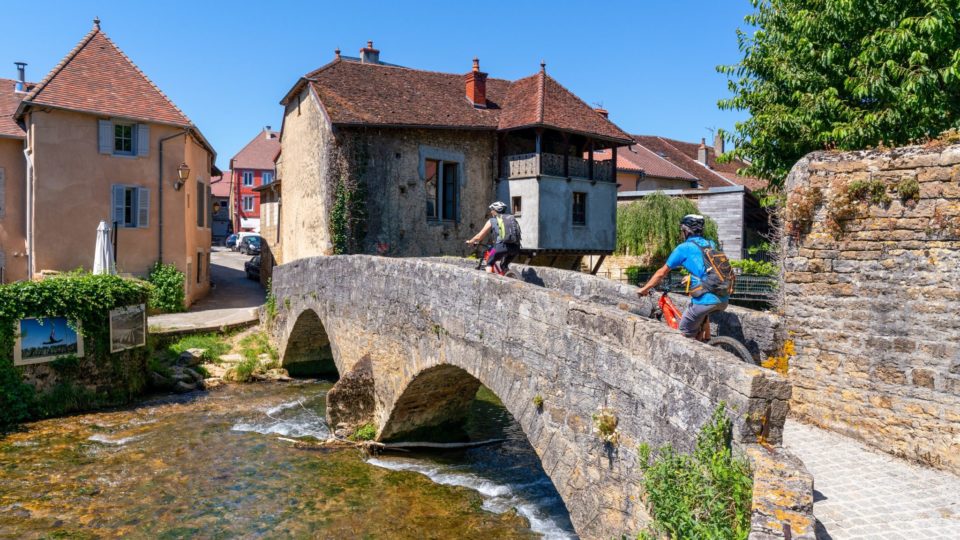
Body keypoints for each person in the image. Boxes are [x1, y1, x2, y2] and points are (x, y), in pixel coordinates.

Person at [636, 214, 730, 340]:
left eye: (682, 231)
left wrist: (644, 289)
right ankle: (707, 340)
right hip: (723, 297)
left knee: (683, 337)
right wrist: (691, 277)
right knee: (699, 318)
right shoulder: (711, 244)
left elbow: (661, 273)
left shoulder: (683, 248)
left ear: (686, 231)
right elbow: (706, 268)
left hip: (706, 299)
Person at [466, 201, 521, 273]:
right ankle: (508, 274)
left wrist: (470, 242)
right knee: (504, 265)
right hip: (515, 248)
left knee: (489, 262)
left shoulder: (492, 220)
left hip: (499, 247)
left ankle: (489, 281)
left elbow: (479, 236)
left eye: (492, 210)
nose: (491, 212)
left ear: (495, 210)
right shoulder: (511, 219)